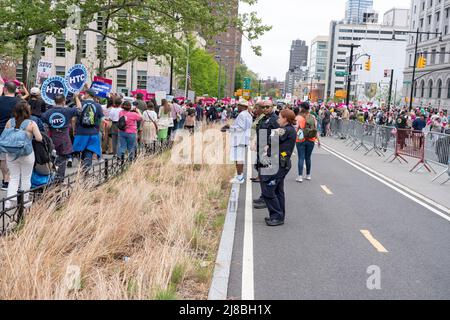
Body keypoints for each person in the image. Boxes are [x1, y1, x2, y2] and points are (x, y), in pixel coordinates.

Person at [1, 101, 43, 207]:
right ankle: (24, 201)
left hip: (11, 153)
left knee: (13, 177)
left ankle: (9, 201)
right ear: (28, 111)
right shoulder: (31, 123)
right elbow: (39, 138)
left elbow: (5, 136)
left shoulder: (9, 122)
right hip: (26, 154)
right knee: (26, 177)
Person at [260, 109, 297, 226]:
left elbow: (272, 139)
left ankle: (277, 215)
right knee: (277, 190)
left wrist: (269, 144)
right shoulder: (287, 129)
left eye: (280, 117)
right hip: (280, 163)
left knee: (268, 188)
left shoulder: (286, 130)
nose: (278, 119)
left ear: (285, 118)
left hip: (280, 164)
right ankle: (278, 215)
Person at [42, 94, 80, 180]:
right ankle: (59, 181)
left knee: (51, 160)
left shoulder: (47, 113)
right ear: (64, 101)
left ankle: (51, 179)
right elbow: (80, 109)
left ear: (54, 101)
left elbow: (44, 126)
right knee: (62, 161)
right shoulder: (68, 111)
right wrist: (76, 97)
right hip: (64, 140)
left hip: (52, 140)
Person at [253, 101, 279, 210]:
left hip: (268, 151)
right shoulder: (264, 118)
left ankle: (266, 198)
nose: (265, 109)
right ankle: (263, 195)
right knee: (261, 172)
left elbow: (279, 133)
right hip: (261, 148)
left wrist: (270, 145)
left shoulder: (275, 119)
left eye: (267, 107)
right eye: (263, 107)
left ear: (272, 107)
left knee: (265, 175)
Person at [72, 89, 104, 172]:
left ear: (88, 94)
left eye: (85, 93)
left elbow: (73, 119)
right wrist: (100, 130)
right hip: (93, 133)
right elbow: (102, 121)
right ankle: (86, 169)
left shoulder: (80, 104)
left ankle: (82, 167)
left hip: (81, 132)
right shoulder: (98, 106)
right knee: (89, 151)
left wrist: (74, 130)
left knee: (80, 150)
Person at [0, 81, 20, 190]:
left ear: (5, 89)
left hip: (0, 132)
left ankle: (5, 181)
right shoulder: (19, 102)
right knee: (11, 158)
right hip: (14, 133)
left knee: (2, 159)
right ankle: (9, 180)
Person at [229, 100, 253, 184]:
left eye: (239, 105)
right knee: (239, 158)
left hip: (239, 139)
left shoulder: (242, 114)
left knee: (238, 159)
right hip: (242, 139)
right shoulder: (248, 114)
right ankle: (239, 175)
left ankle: (240, 177)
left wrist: (229, 127)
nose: (237, 107)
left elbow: (240, 128)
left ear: (243, 106)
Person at [296, 102, 319, 182]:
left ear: (302, 108)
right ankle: (308, 175)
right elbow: (316, 129)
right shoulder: (312, 117)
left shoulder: (298, 117)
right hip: (311, 139)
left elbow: (296, 128)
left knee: (301, 157)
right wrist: (318, 140)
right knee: (308, 157)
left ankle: (300, 176)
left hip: (300, 138)